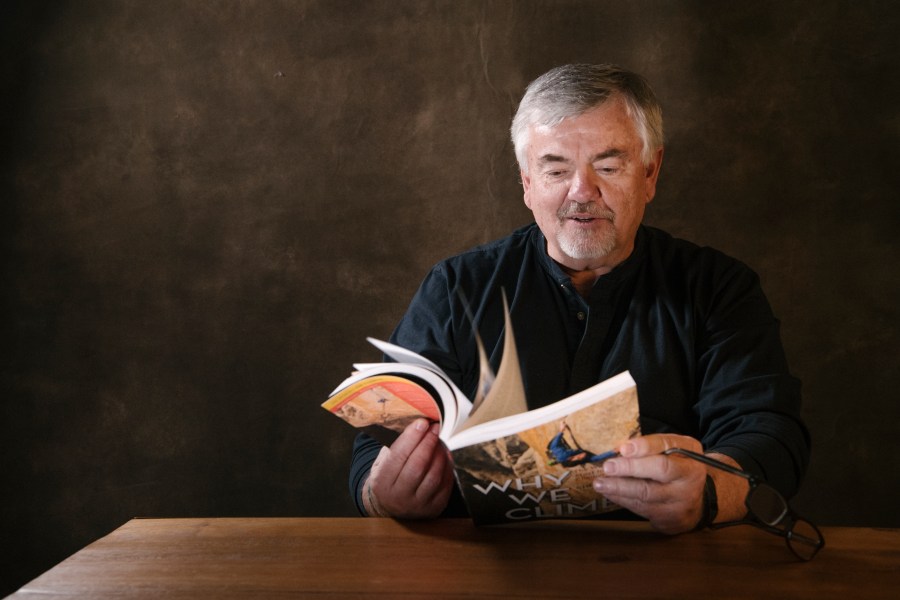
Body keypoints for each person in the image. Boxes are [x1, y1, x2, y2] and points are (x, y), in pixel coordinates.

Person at [348, 63, 810, 533]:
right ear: (527, 182)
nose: (582, 192)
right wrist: (381, 494)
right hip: (481, 569)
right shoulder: (456, 287)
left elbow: (771, 436)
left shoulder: (719, 288)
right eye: (556, 168)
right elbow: (376, 447)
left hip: (663, 567)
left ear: (650, 174)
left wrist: (711, 490)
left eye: (609, 167)